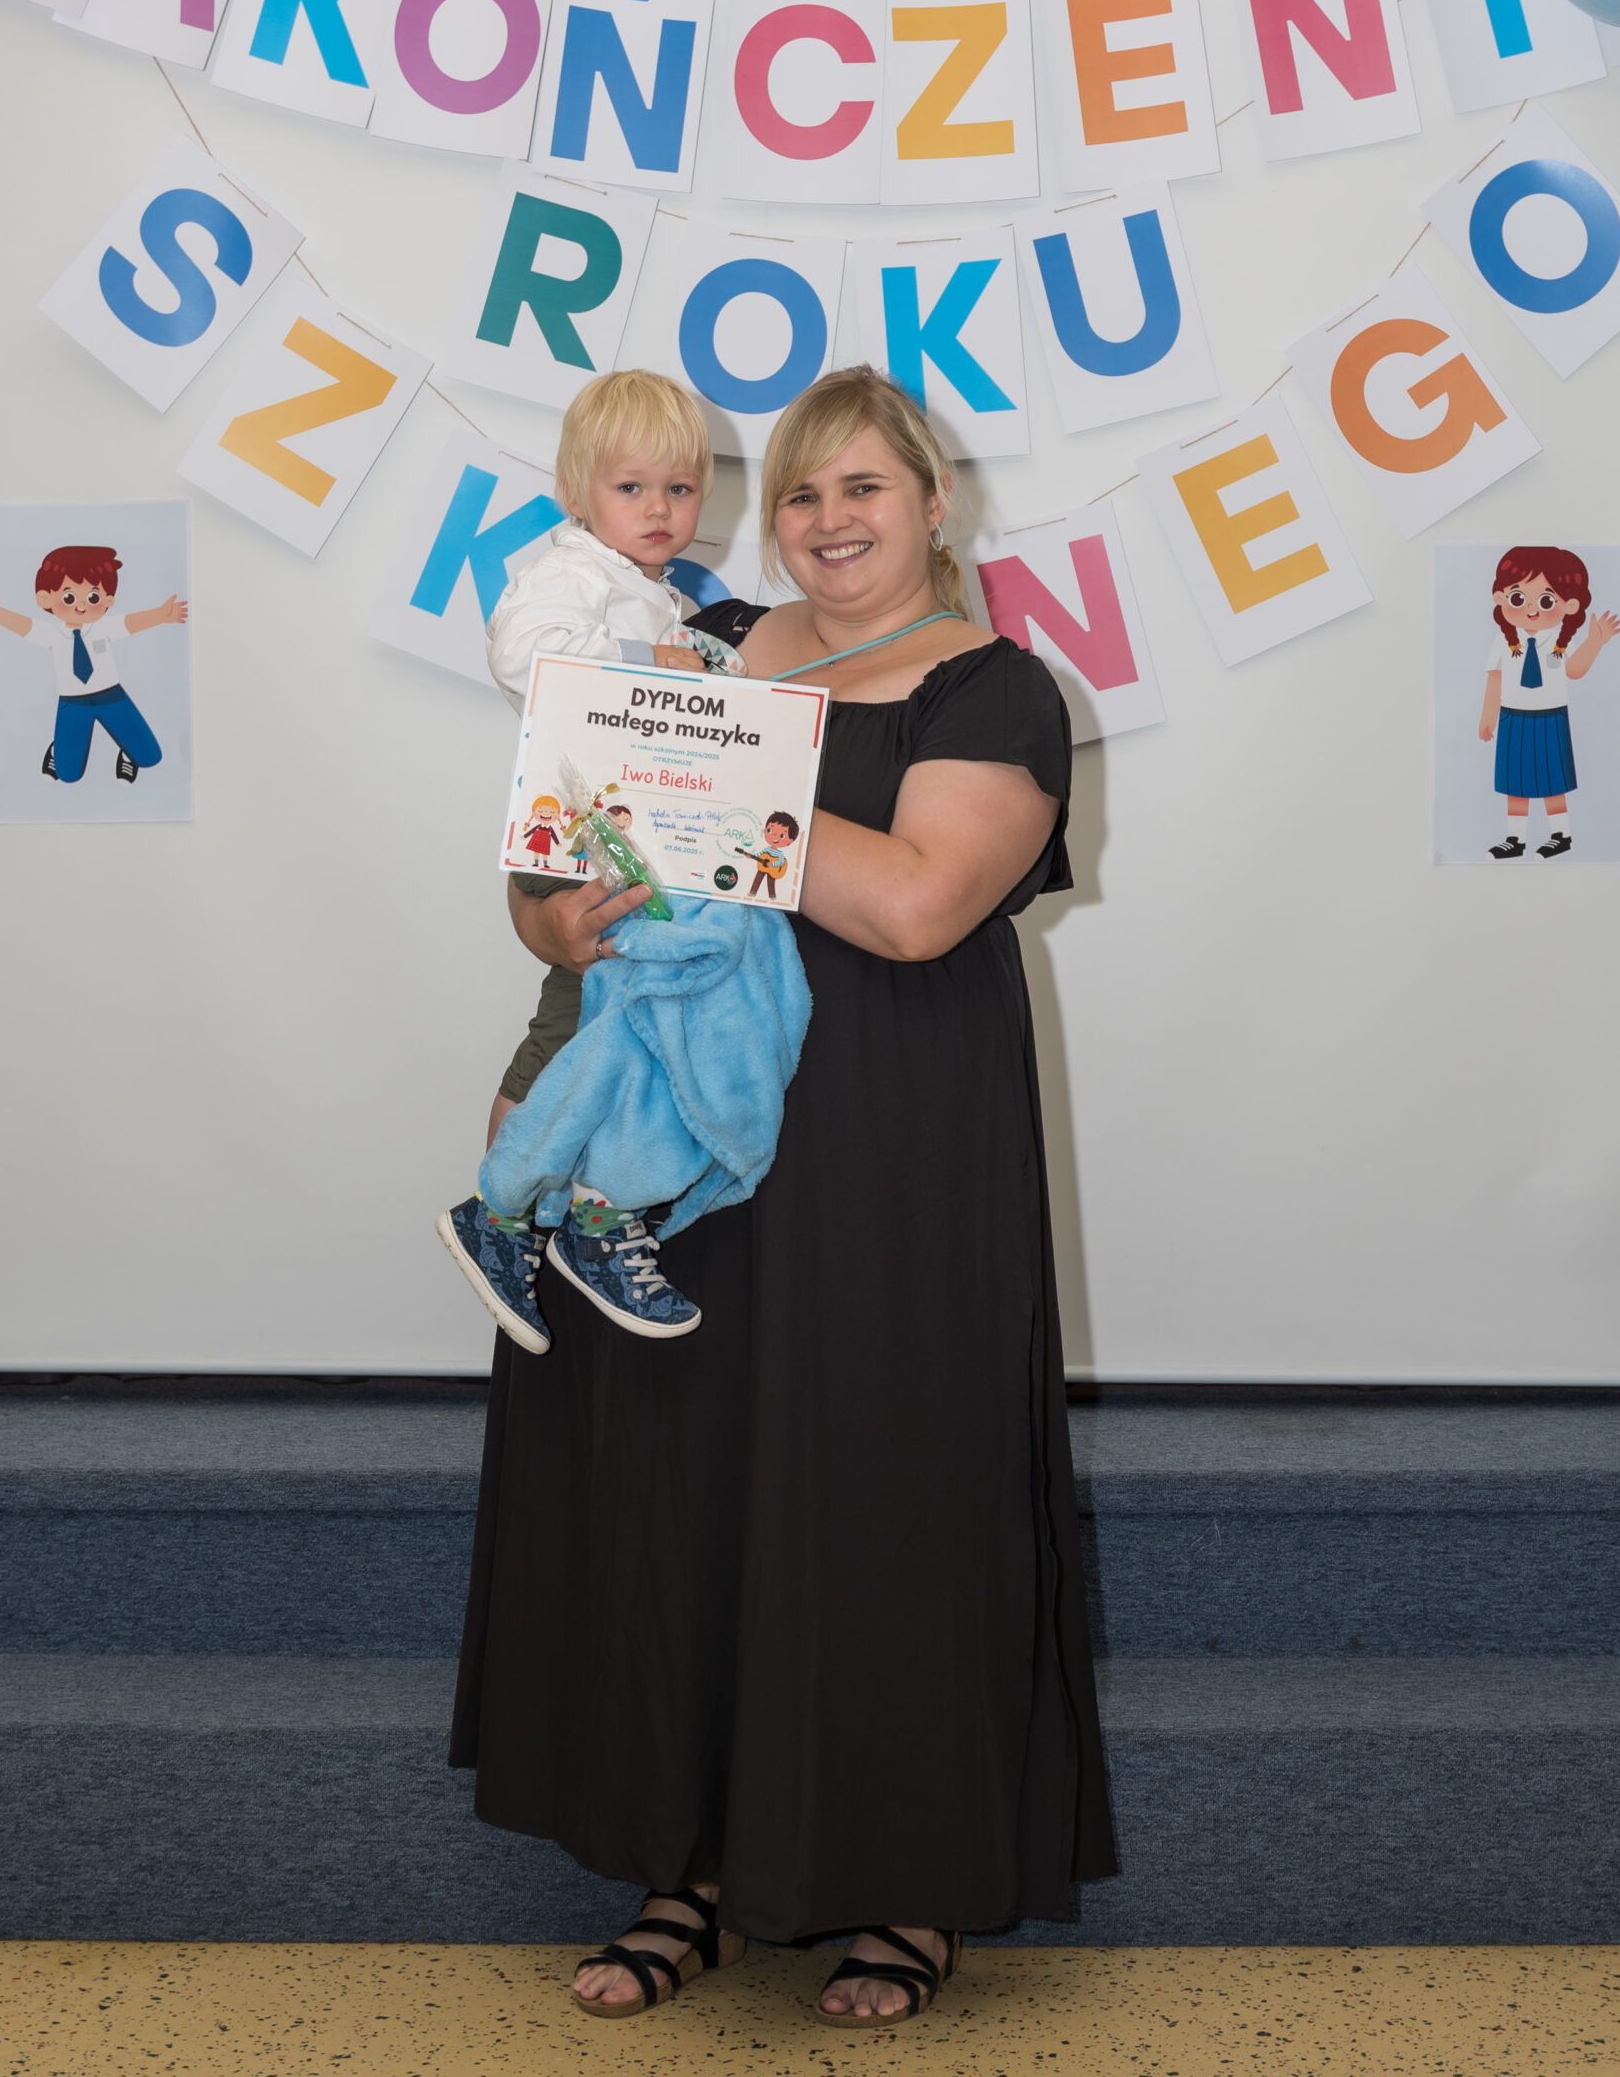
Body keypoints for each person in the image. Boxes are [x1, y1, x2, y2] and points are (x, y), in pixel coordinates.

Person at [451, 368, 1115, 2028]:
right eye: (801, 493)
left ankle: (905, 1884)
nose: (825, 520)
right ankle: (683, 1868)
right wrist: (556, 922)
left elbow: (913, 906)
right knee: (672, 1490)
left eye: (861, 489)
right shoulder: (698, 644)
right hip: (675, 1151)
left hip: (894, 1157)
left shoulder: (993, 690)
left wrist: (707, 789)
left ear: (933, 507)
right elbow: (553, 862)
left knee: (886, 1489)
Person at [435, 371, 744, 1350]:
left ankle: (585, 1210)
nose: (660, 510)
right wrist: (652, 668)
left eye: (680, 489)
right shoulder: (572, 575)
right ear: (576, 491)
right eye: (631, 487)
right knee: (578, 1023)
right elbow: (522, 656)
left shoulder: (652, 590)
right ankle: (505, 1214)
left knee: (632, 1027)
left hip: (624, 834)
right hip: (573, 834)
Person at [0, 544, 187, 784]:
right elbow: (26, 626)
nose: (81, 606)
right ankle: (58, 748)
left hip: (112, 697)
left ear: (108, 600)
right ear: (44, 598)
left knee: (151, 757)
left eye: (93, 597)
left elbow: (130, 623)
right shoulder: (52, 634)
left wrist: (161, 615)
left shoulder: (103, 627)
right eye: (69, 597)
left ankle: (128, 750)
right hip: (73, 703)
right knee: (68, 775)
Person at [1478, 544, 1620, 859]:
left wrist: (1595, 642)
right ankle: (1515, 839)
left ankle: (1561, 835)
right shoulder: (1503, 641)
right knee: (1514, 780)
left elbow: (1574, 670)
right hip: (1512, 718)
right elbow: (1495, 678)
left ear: (1569, 605)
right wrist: (1488, 716)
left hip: (1551, 719)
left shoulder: (1560, 641)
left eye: (1546, 600)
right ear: (1500, 597)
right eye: (1518, 598)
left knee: (1552, 779)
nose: (1532, 609)